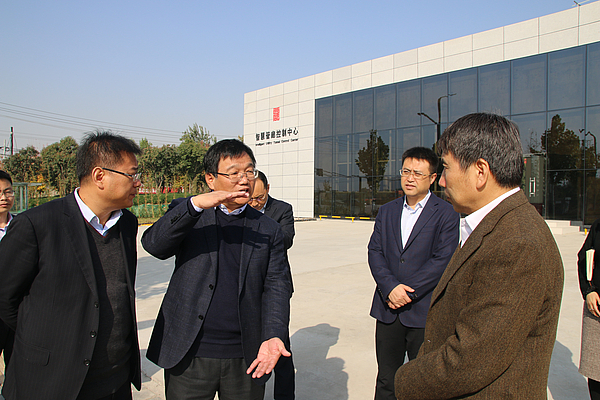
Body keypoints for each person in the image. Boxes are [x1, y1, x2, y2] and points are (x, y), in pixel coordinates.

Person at [394, 113, 564, 399]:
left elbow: (469, 360)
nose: (442, 181)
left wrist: (402, 381)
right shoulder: (496, 226)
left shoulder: (517, 243)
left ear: (480, 171)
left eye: (446, 168)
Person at [141, 139, 292, 400]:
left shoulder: (268, 228)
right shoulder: (190, 214)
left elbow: (277, 285)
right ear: (211, 179)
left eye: (249, 171)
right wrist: (195, 206)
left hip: (245, 355)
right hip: (189, 353)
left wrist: (273, 334)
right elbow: (154, 245)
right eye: (234, 173)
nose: (244, 180)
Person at [0, 131, 143, 400]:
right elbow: (5, 298)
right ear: (100, 176)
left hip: (114, 381)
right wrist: (46, 338)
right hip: (51, 382)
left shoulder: (127, 223)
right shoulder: (37, 224)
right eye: (132, 175)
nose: (138, 183)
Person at [368, 147, 459, 400]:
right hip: (388, 309)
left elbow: (443, 259)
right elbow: (375, 251)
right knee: (386, 379)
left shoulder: (447, 213)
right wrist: (390, 288)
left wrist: (407, 292)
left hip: (423, 312)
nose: (410, 178)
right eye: (406, 171)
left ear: (433, 178)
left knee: (423, 382)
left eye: (418, 173)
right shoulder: (387, 211)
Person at [249, 170, 295, 400]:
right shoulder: (242, 207)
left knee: (280, 345)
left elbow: (286, 239)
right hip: (248, 287)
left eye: (259, 197)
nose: (255, 203)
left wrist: (258, 223)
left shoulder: (282, 209)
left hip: (275, 286)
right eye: (250, 198)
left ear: (268, 189)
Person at [578, 218, 600, 399]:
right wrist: (588, 290)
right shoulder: (598, 225)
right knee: (595, 367)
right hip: (596, 306)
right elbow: (583, 257)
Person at [0, 170, 15, 372]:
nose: (4, 197)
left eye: (8, 191)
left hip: (16, 310)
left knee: (17, 366)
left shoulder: (24, 225)